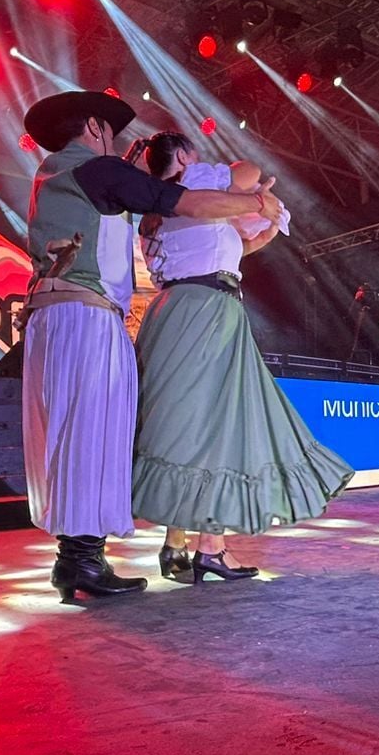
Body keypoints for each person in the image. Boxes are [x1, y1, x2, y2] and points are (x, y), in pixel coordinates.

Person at [20, 91, 282, 603]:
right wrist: (257, 204)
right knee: (91, 429)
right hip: (83, 313)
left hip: (59, 312)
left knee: (77, 432)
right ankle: (81, 563)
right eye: (110, 132)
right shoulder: (94, 169)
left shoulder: (57, 175)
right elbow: (183, 201)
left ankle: (78, 561)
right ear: (94, 127)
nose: (116, 143)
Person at [131, 130, 354, 584]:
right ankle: (210, 546)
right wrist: (254, 193)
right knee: (218, 423)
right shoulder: (196, 181)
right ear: (182, 155)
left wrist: (264, 221)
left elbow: (223, 250)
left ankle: (177, 544)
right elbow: (246, 172)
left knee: (188, 425)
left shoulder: (159, 210)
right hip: (208, 311)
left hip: (175, 310)